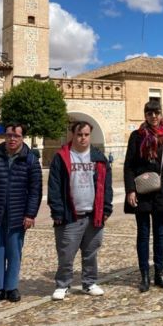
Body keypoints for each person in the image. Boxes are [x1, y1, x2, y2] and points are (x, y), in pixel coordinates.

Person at [0, 122, 42, 304]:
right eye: (9, 135)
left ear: (22, 138)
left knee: (14, 251)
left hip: (18, 214)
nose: (12, 139)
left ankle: (11, 287)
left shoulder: (31, 160)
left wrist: (30, 214)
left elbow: (35, 191)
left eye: (16, 136)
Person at [48, 120, 113, 300]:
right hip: (70, 215)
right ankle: (63, 284)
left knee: (91, 252)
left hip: (94, 214)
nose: (83, 138)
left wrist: (106, 209)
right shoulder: (62, 157)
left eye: (86, 134)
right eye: (79, 134)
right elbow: (54, 187)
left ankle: (89, 283)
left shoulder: (99, 158)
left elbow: (106, 186)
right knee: (66, 253)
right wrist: (57, 211)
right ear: (72, 135)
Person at [124, 102, 163, 292]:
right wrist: (130, 190)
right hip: (141, 190)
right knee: (143, 233)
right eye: (150, 113)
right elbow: (129, 165)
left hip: (162, 190)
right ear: (145, 115)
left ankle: (159, 273)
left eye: (156, 113)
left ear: (161, 115)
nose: (153, 116)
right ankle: (144, 275)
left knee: (160, 233)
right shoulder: (136, 136)